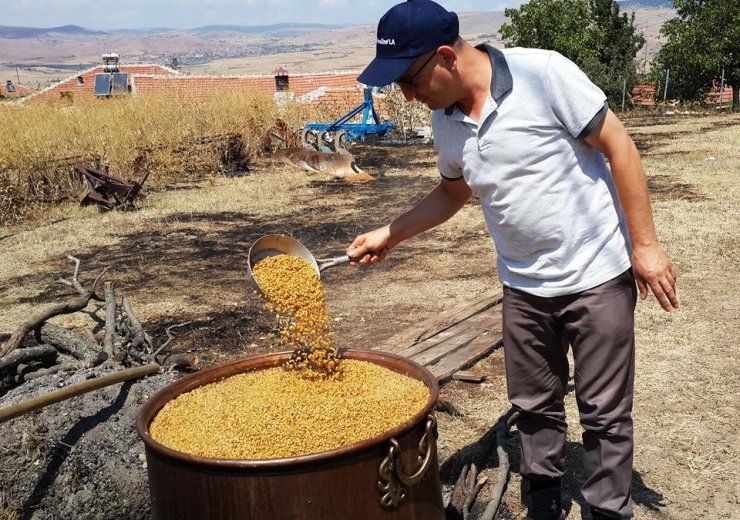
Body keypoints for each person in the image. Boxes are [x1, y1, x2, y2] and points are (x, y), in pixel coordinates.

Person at [348, 1, 679, 519]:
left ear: (444, 57)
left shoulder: (542, 73)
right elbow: (453, 193)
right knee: (534, 408)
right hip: (523, 288)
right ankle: (543, 504)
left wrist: (646, 247)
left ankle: (608, 510)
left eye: (409, 80)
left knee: (605, 414)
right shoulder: (446, 121)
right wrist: (390, 234)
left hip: (596, 276)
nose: (406, 96)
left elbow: (620, 146)